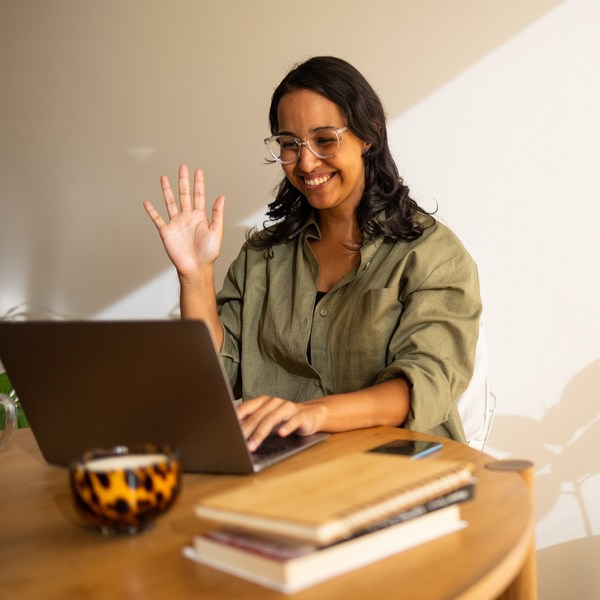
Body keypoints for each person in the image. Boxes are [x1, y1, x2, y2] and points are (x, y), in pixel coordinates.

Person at [144, 56, 482, 450]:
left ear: (369, 134)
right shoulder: (263, 256)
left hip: (395, 472)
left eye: (325, 140)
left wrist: (311, 413)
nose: (305, 162)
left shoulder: (431, 254)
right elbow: (213, 378)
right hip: (283, 469)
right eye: (290, 144)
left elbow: (423, 384)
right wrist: (196, 275)